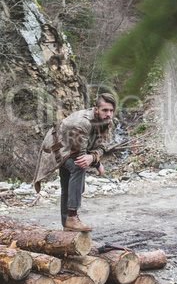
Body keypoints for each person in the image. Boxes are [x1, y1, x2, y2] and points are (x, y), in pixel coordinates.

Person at [33, 93, 116, 232]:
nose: (108, 114)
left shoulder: (107, 122)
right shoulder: (83, 123)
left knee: (69, 183)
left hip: (71, 148)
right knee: (78, 167)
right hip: (57, 147)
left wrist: (94, 158)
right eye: (105, 110)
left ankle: (67, 223)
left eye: (111, 111)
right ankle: (72, 216)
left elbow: (102, 147)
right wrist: (95, 162)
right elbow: (78, 155)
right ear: (96, 110)